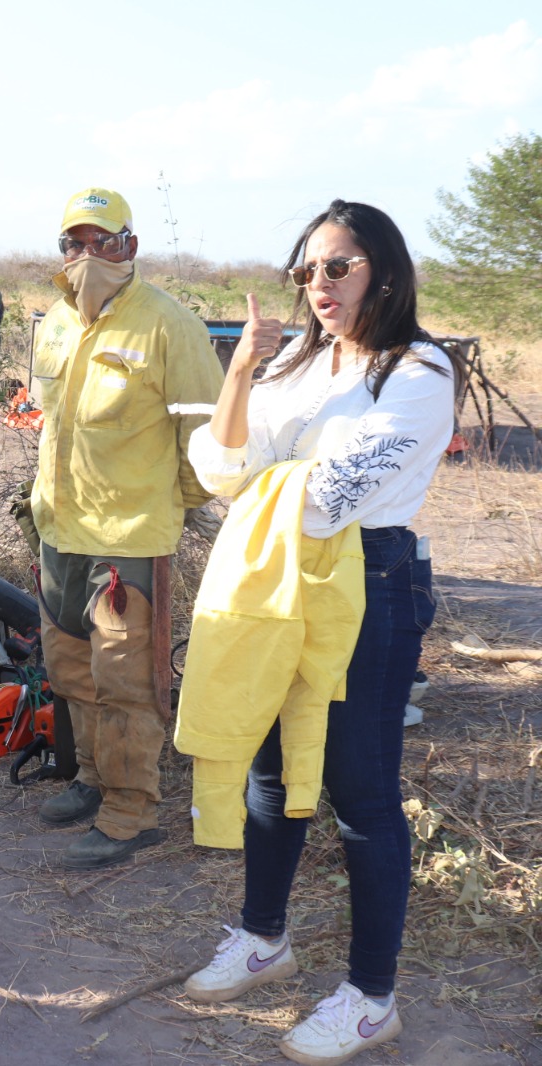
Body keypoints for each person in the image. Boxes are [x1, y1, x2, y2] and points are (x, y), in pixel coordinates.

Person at [179, 200, 453, 1066]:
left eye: (339, 266)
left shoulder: (418, 371)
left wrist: (274, 465)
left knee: (361, 793)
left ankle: (372, 996)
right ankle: (264, 937)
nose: (319, 285)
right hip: (278, 580)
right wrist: (236, 378)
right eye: (307, 270)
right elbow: (222, 471)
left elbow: (337, 497)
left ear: (385, 269)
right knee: (270, 765)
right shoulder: (296, 360)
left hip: (369, 583)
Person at [30, 187, 224, 869]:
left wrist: (172, 508)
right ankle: (91, 779)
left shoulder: (168, 324)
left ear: (130, 247)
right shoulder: (51, 322)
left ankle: (131, 811)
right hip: (59, 532)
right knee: (71, 670)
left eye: (102, 241)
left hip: (129, 543)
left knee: (125, 682)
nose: (87, 256)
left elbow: (205, 439)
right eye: (73, 244)